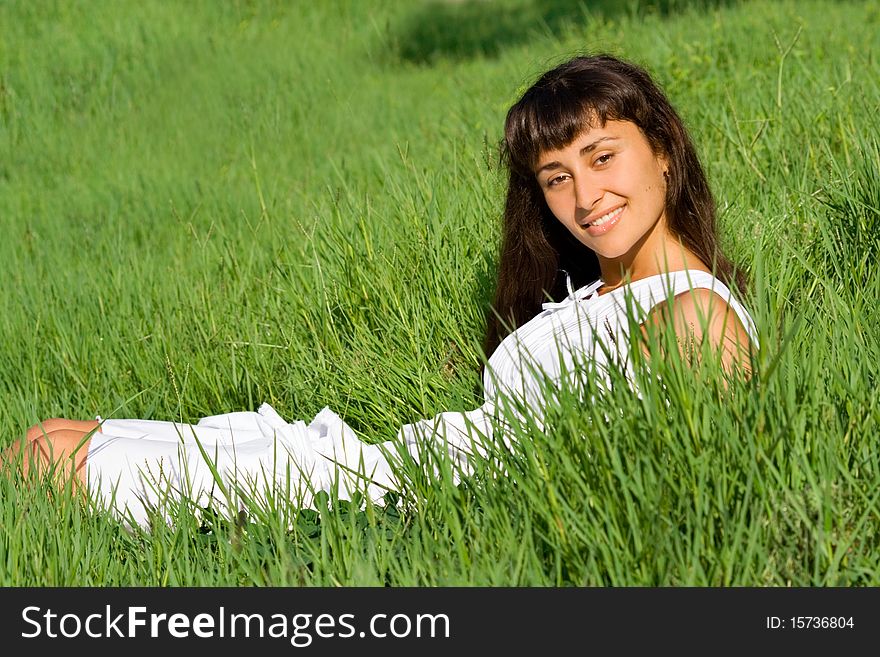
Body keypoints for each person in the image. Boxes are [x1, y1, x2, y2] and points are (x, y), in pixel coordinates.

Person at [2, 54, 757, 527]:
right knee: (49, 436)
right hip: (372, 459)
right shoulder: (595, 291)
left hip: (390, 492)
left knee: (46, 467)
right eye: (557, 177)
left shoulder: (692, 312)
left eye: (602, 156)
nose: (584, 195)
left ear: (663, 149)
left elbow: (686, 501)